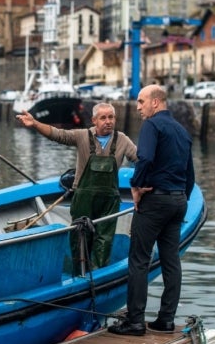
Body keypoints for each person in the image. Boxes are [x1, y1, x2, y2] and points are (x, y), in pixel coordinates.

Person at [108, 84, 194, 336]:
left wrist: (136, 186)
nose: (137, 107)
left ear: (155, 102)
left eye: (141, 101)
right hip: (178, 201)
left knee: (138, 260)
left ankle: (135, 321)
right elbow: (190, 173)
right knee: (171, 261)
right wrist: (182, 198)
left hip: (155, 201)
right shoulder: (182, 131)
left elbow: (144, 158)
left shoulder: (152, 126)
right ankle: (166, 319)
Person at [16, 103, 137, 274]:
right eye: (103, 118)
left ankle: (97, 275)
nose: (108, 121)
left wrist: (144, 184)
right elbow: (58, 135)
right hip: (83, 199)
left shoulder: (123, 140)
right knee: (80, 236)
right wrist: (35, 123)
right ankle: (79, 274)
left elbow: (141, 159)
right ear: (94, 120)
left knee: (104, 240)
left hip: (108, 200)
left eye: (111, 117)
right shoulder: (83, 136)